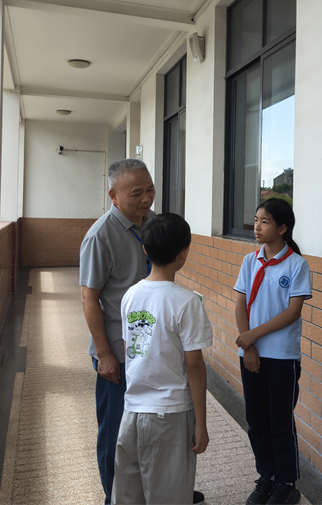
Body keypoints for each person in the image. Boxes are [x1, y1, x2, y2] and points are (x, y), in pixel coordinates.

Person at [114, 213, 213, 504]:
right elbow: (194, 366)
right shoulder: (186, 302)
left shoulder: (130, 295)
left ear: (145, 249)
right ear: (184, 252)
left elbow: (130, 350)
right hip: (169, 414)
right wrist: (201, 424)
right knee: (169, 496)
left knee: (129, 495)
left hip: (132, 413)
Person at [79, 158, 156, 505]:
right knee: (116, 433)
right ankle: (114, 497)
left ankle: (150, 491)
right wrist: (105, 354)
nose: (146, 199)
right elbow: (89, 298)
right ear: (113, 195)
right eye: (136, 193)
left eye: (150, 190)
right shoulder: (100, 236)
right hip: (118, 354)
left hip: (151, 349)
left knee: (149, 428)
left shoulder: (154, 223)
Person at [234, 198, 312, 505]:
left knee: (280, 421)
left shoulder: (296, 265)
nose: (256, 226)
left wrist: (253, 335)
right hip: (251, 354)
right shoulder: (249, 261)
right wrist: (249, 347)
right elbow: (240, 304)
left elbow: (292, 312)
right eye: (256, 220)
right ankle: (266, 477)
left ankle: (286, 483)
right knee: (256, 420)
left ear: (282, 228)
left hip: (281, 357)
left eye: (264, 222)